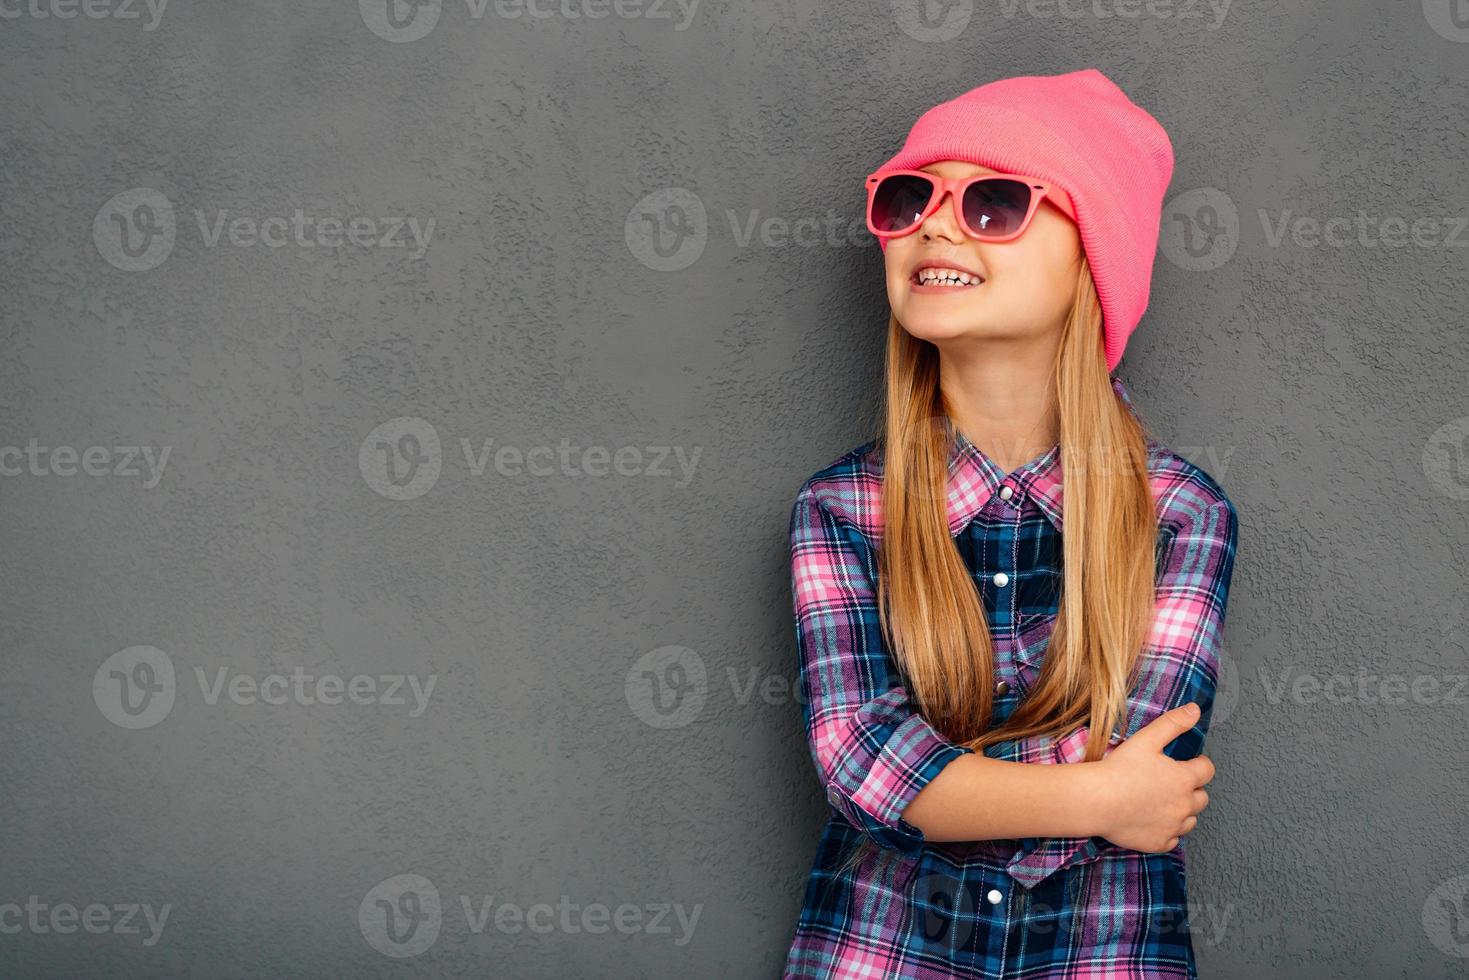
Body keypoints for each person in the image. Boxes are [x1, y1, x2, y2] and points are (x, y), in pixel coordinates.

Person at [782, 68, 1239, 979]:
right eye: (910, 198)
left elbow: (1145, 768)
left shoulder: (1180, 514)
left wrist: (946, 790)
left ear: (1092, 260)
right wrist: (1097, 797)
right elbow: (861, 764)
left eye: (994, 202)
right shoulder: (839, 509)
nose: (936, 224)